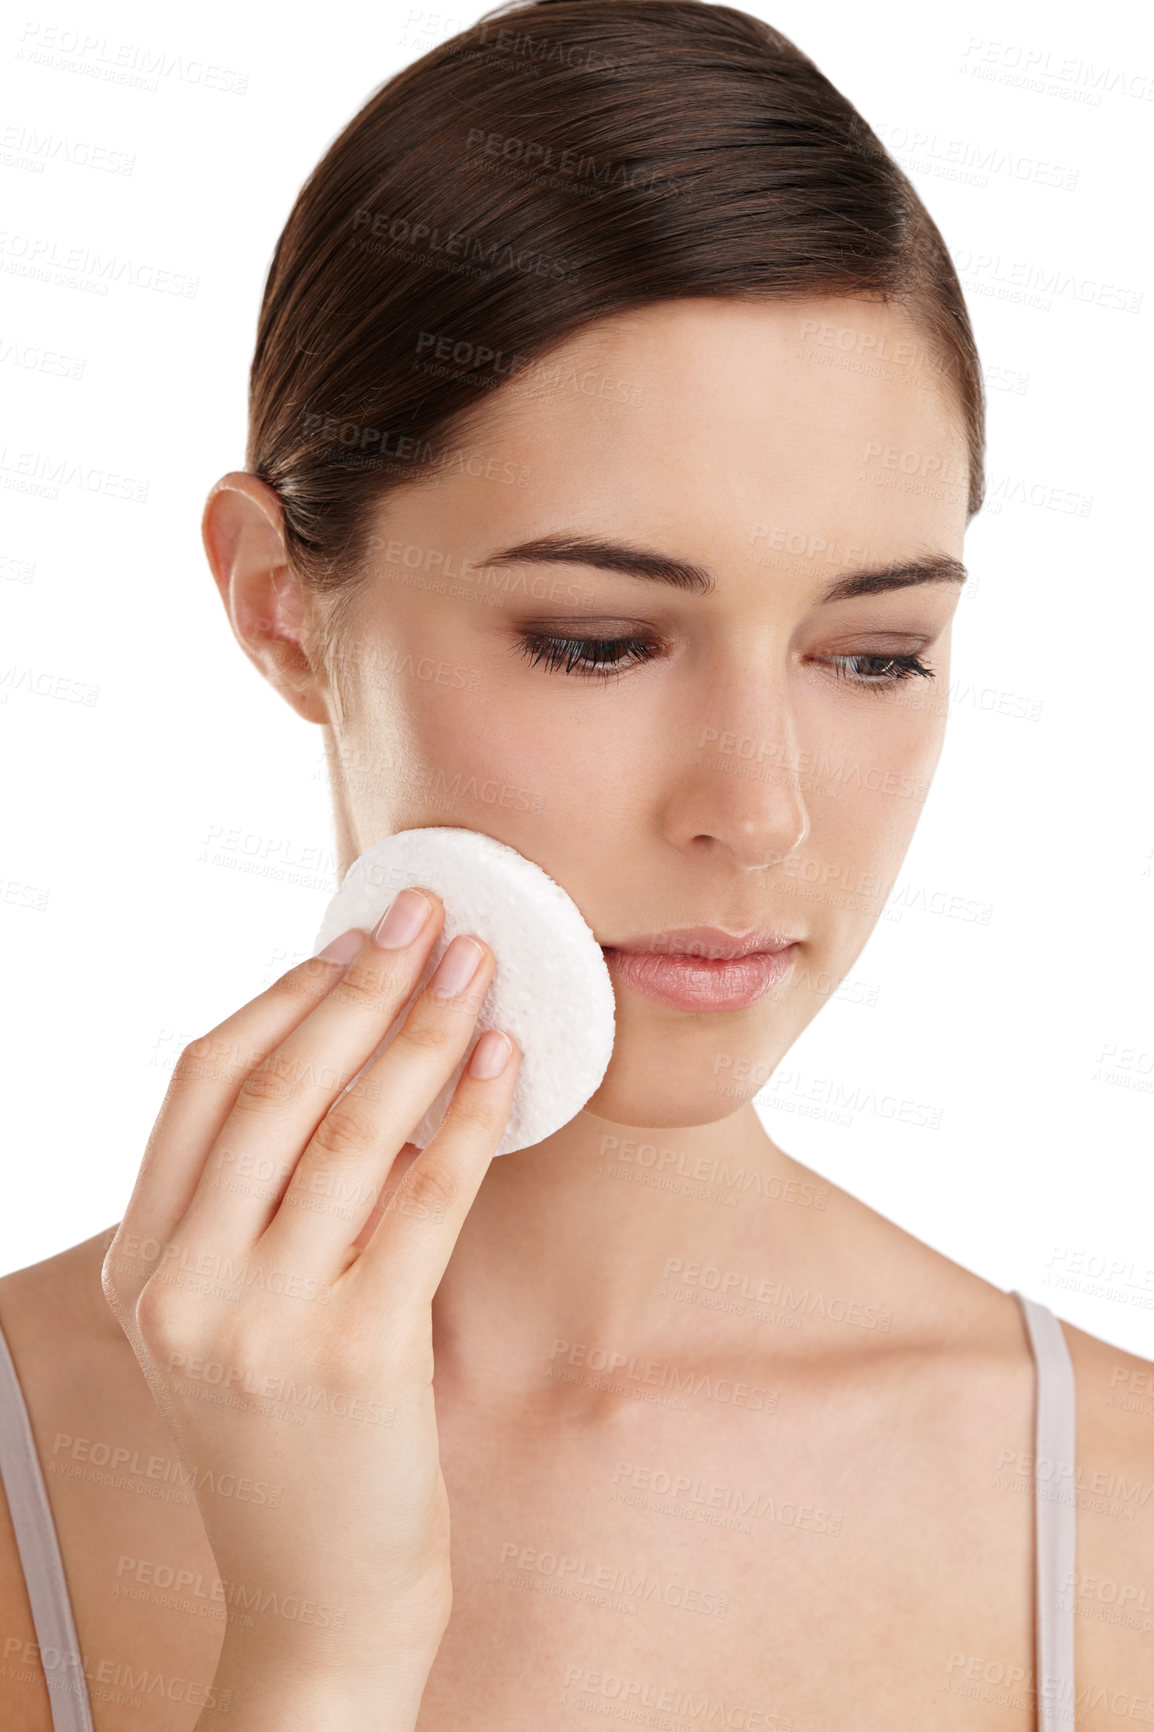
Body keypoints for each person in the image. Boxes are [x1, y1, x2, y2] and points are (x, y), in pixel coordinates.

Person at [2, 1, 1150, 1727]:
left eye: (873, 655)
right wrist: (322, 1647)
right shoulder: (30, 1444)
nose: (756, 813)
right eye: (601, 640)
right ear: (279, 608)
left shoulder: (1118, 1513)